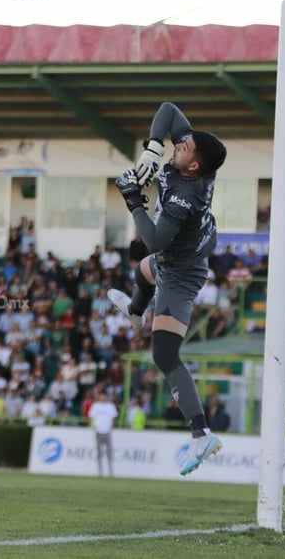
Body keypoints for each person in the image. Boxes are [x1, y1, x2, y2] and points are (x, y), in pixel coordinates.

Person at [108, 101, 227, 476]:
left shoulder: (184, 195)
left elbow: (156, 240)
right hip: (178, 256)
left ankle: (201, 433)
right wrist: (152, 147)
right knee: (143, 273)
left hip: (180, 271)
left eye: (184, 147)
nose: (180, 143)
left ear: (193, 166)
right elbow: (170, 111)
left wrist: (132, 201)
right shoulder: (189, 162)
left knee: (164, 355)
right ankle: (134, 313)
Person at [87, 389, 119, 476]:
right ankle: (100, 471)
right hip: (99, 431)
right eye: (101, 395)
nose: (102, 397)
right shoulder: (95, 406)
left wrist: (112, 427)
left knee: (109, 452)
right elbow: (91, 417)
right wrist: (93, 426)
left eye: (104, 395)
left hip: (107, 432)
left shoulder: (110, 406)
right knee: (99, 452)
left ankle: (110, 471)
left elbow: (114, 418)